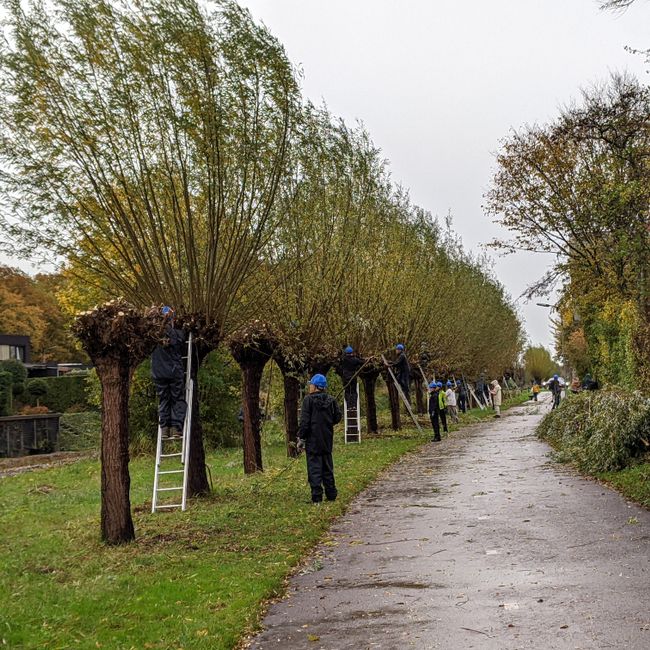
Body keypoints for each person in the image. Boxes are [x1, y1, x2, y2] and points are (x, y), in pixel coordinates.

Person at [297, 374, 342, 504]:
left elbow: (305, 422)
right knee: (327, 467)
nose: (309, 386)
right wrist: (327, 423)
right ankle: (331, 494)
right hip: (327, 439)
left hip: (313, 440)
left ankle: (317, 497)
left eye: (311, 384)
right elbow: (337, 417)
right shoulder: (331, 400)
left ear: (315, 386)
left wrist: (301, 438)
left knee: (314, 469)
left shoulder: (308, 400)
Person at [151, 306, 187, 438]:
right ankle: (177, 428)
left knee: (163, 399)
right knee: (177, 398)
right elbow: (181, 340)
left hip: (158, 373)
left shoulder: (152, 335)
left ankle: (165, 428)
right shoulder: (175, 334)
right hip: (173, 372)